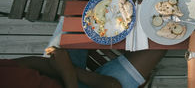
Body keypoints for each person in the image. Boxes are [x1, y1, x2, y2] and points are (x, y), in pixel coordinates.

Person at [0, 46, 166, 88]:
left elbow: (28, 63)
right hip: (69, 77)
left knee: (80, 12)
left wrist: (66, 68)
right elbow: (112, 84)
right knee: (158, 47)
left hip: (62, 76)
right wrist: (67, 69)